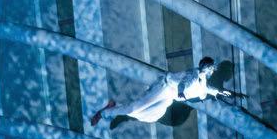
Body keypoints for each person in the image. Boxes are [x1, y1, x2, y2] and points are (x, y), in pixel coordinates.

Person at [89, 57, 231, 127]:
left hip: (169, 97)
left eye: (212, 69)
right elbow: (185, 82)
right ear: (204, 67)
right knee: (134, 108)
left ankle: (115, 107)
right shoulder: (194, 74)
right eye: (210, 68)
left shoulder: (202, 81)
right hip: (164, 88)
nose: (212, 71)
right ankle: (103, 113)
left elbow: (206, 88)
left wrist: (218, 92)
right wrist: (181, 91)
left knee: (149, 115)